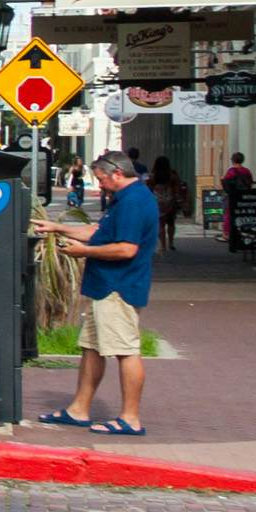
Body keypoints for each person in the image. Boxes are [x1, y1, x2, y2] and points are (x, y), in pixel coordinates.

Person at [36, 149, 160, 435]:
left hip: (119, 287)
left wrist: (84, 253)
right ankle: (78, 409)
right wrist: (57, 227)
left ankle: (130, 418)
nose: (100, 184)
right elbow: (98, 231)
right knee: (92, 348)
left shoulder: (134, 202)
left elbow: (126, 248)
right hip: (104, 287)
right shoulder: (126, 199)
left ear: (118, 173)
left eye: (102, 179)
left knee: (125, 350)